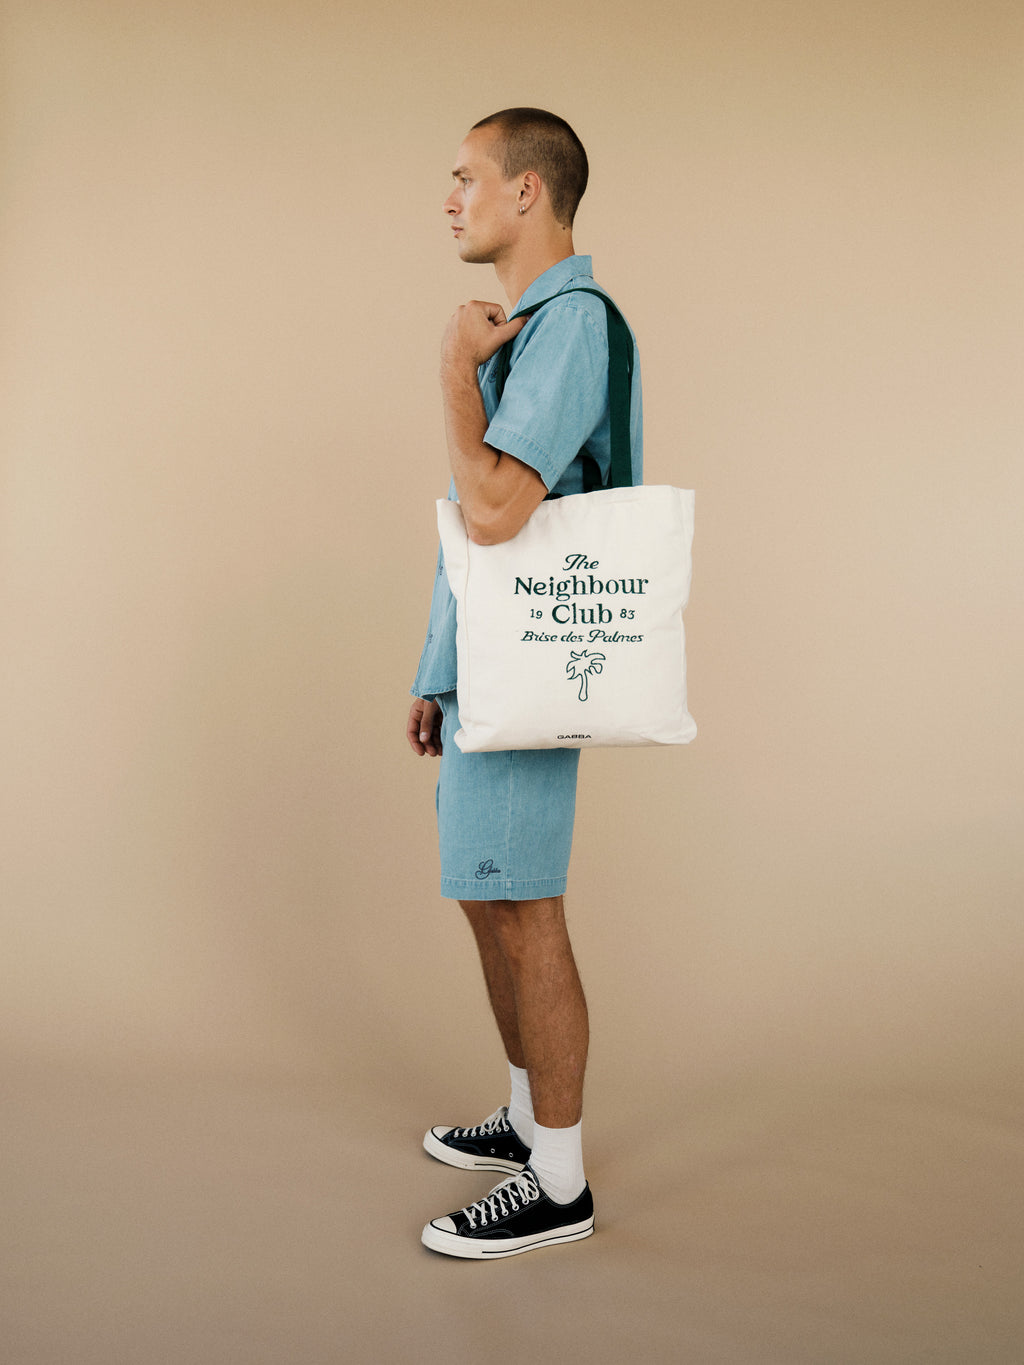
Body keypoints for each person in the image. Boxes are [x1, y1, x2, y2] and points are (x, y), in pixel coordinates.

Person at [406, 108, 642, 1259]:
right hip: (483, 669)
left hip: (531, 670)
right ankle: (519, 1120)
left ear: (528, 194)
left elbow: (497, 513)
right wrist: (433, 669)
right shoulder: (534, 325)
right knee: (487, 895)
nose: (450, 198)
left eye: (466, 177)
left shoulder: (569, 326)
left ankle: (558, 1179)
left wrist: (452, 365)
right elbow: (481, 527)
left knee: (525, 906)